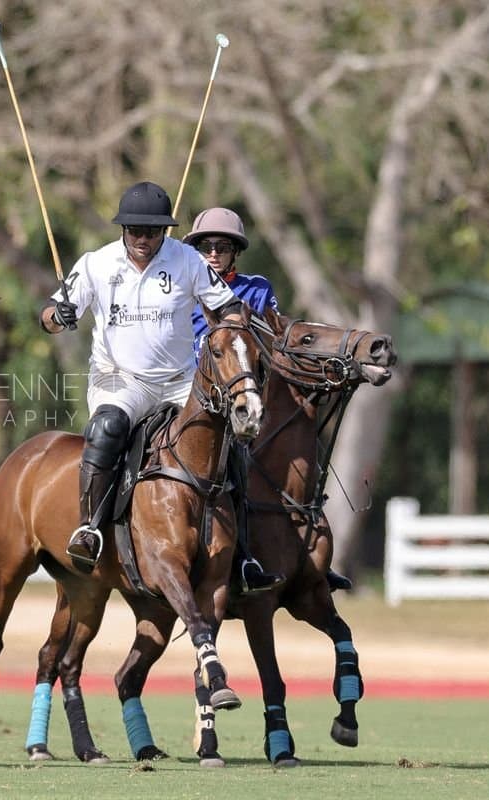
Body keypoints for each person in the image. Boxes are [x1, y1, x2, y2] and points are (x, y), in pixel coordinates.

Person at [38, 181, 251, 575]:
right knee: (106, 428)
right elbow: (49, 315)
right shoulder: (95, 264)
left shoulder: (188, 261)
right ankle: (90, 528)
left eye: (152, 232)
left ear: (164, 231)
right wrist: (59, 318)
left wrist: (233, 329)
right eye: (135, 230)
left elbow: (230, 305)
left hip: (179, 379)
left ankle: (244, 551)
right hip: (121, 378)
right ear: (123, 229)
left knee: (233, 438)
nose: (143, 239)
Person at [184, 207, 351, 593]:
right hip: (191, 393)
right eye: (205, 246)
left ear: (234, 252)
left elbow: (275, 341)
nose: (212, 253)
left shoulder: (256, 289)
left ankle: (287, 559)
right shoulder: (180, 287)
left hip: (245, 396)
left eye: (221, 246)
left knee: (294, 449)